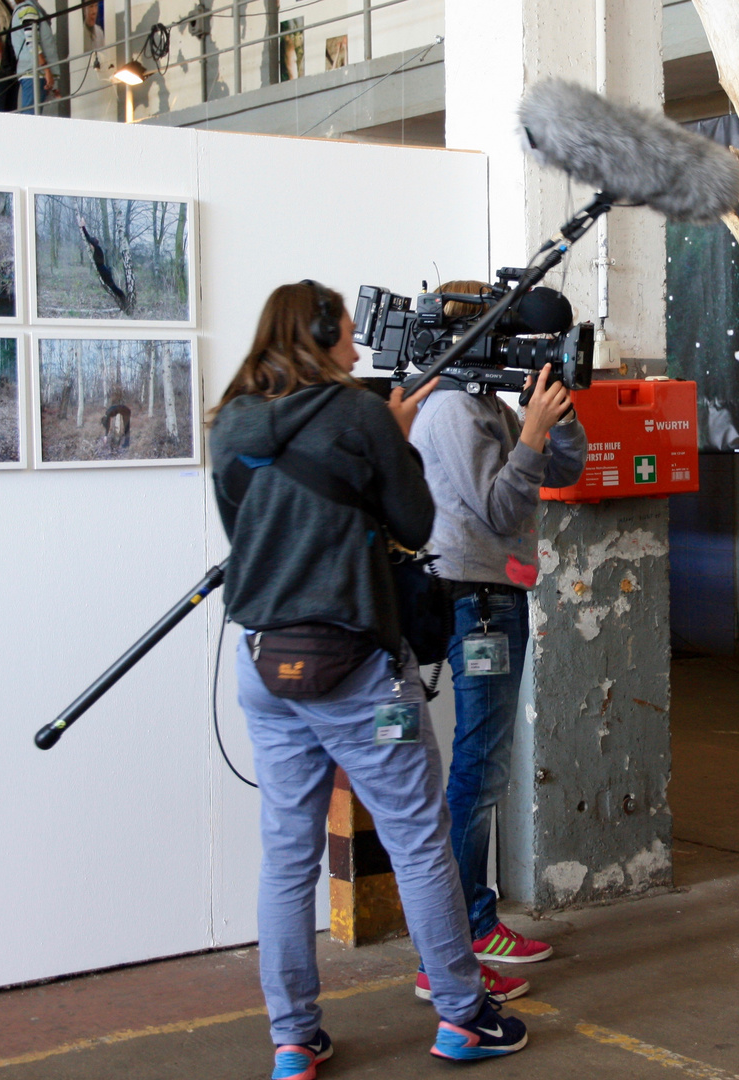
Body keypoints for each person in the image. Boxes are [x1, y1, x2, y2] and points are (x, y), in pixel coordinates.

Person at [209, 281, 529, 1077]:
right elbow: (417, 523)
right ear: (318, 334)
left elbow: (247, 529)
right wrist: (394, 436)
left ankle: (293, 1040)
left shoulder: (232, 422)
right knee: (420, 842)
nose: (357, 351)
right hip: (354, 668)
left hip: (266, 664)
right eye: (348, 336)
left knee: (286, 857)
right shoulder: (356, 412)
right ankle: (461, 1015)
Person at [409, 281, 588, 1002]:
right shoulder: (452, 406)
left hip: (497, 593)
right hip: (474, 601)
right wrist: (533, 434)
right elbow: (500, 505)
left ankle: (473, 926)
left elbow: (564, 473)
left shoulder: (484, 400)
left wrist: (557, 418)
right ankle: (451, 947)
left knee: (484, 768)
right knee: (477, 772)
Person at [9, 0, 58, 115]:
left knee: (31, 115)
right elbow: (32, 42)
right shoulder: (28, 9)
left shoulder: (23, 9)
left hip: (32, 71)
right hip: (34, 72)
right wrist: (46, 69)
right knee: (30, 116)